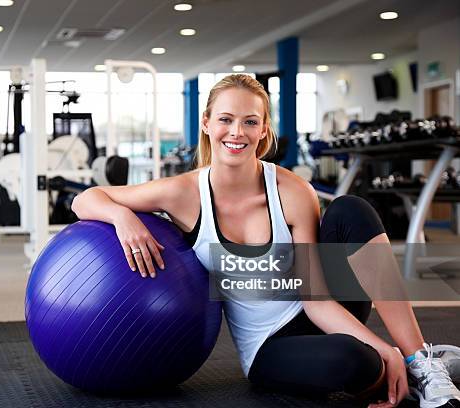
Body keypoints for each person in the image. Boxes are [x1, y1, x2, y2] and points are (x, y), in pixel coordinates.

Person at [72, 74, 460, 408]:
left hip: (320, 309)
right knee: (351, 360)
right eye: (225, 119)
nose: (237, 132)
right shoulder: (183, 193)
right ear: (206, 123)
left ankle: (418, 359)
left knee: (350, 209)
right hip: (267, 346)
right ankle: (401, 374)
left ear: (264, 130)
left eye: (249, 121)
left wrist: (383, 345)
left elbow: (317, 299)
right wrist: (121, 216)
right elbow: (84, 199)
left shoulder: (292, 191)